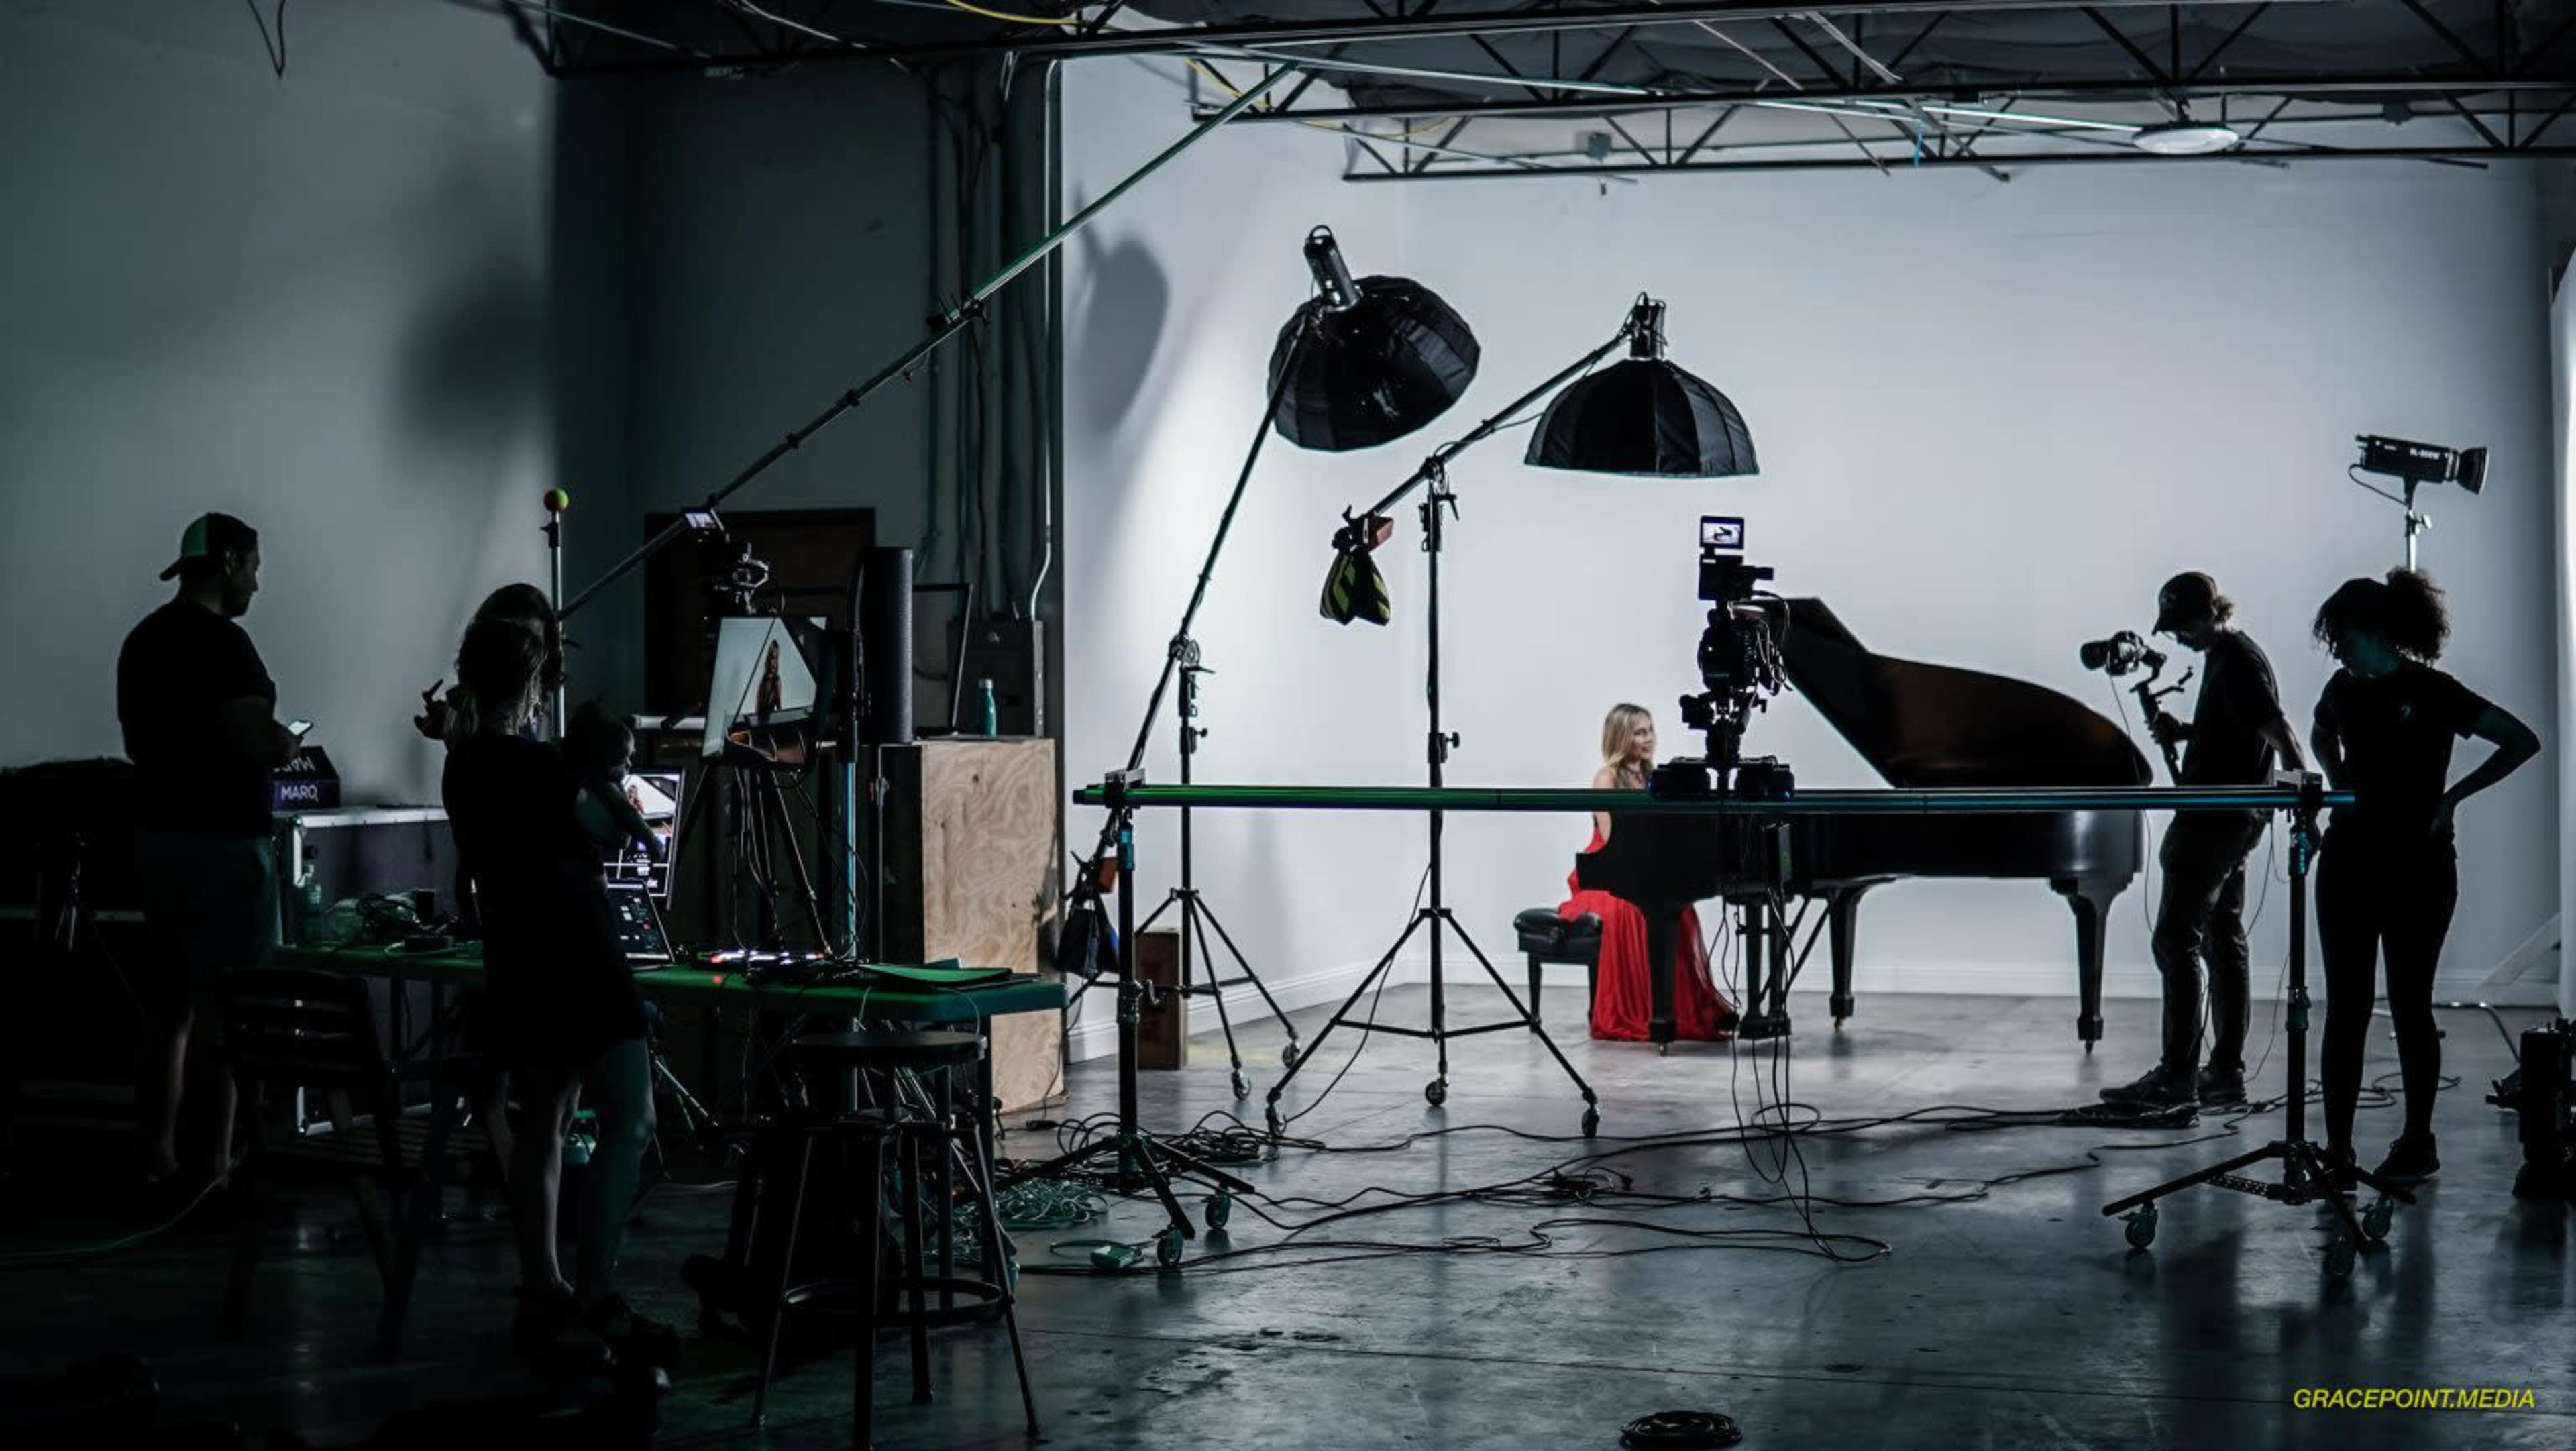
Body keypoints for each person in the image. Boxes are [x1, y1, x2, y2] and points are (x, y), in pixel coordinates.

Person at [441, 616, 671, 1367]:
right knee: (629, 1120)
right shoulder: (540, 769)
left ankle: (543, 1285)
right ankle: (600, 1294)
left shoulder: (463, 764)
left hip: (518, 963)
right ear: (538, 685)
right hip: (580, 958)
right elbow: (624, 833)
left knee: (543, 1122)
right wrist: (595, 770)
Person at [2310, 570, 2537, 1186]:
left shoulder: (2436, 692)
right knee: (2346, 1009)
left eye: (2345, 638)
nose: (2339, 651)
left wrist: (2453, 797)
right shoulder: (2342, 689)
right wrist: (2337, 779)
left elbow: (2521, 740)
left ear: (2378, 633)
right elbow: (2319, 730)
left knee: (2411, 1005)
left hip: (2418, 867)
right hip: (2349, 862)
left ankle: (2418, 1139)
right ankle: (2338, 1149)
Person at [118, 512, 301, 1192]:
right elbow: (253, 736)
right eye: (253, 566)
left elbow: (140, 745)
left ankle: (155, 1160)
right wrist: (284, 743)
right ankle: (212, 1171)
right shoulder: (226, 645)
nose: (256, 581)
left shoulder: (142, 641)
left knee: (167, 1013)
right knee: (230, 1019)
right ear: (228, 563)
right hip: (223, 851)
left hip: (157, 844)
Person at [2102, 572, 2308, 1112]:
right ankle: (2223, 1074)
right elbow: (2237, 729)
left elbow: (2279, 730)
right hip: (2231, 817)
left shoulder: (2239, 660)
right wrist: (2186, 732)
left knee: (2175, 940)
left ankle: (2178, 1077)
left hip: (2217, 822)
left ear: (2209, 613)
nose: (2176, 639)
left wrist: (2303, 793)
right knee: (2222, 939)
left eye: (2182, 628)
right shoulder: (2228, 656)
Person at [1562, 704, 1737, 1042]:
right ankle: (1645, 1012)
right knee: (1631, 911)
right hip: (1608, 873)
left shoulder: (1654, 776)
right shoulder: (1606, 779)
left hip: (1643, 867)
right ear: (1621, 737)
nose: (1648, 739)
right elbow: (1612, 839)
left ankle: (1671, 1009)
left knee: (1680, 909)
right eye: (1639, 732)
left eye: (1650, 730)